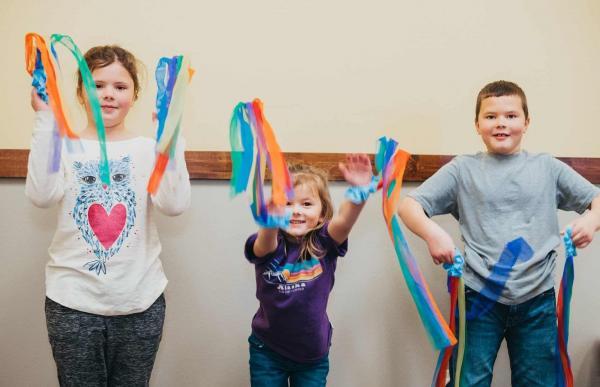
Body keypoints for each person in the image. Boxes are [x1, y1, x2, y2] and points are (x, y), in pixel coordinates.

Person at [398, 80, 600, 387]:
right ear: (477, 124)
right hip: (479, 297)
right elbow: (408, 206)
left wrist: (592, 219)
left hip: (538, 300)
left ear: (526, 122)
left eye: (511, 115)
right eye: (490, 116)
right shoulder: (462, 169)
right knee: (469, 381)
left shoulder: (547, 167)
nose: (501, 123)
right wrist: (432, 234)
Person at [26, 45, 191, 386]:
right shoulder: (63, 145)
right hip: (71, 303)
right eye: (97, 85)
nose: (108, 95)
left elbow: (174, 205)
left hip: (140, 303)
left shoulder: (147, 148)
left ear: (135, 94)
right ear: (80, 92)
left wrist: (169, 137)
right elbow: (41, 197)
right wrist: (45, 119)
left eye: (120, 87)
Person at [245, 155, 374, 386]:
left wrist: (359, 193)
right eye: (287, 203)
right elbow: (264, 244)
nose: (296, 211)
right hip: (268, 351)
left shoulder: (325, 242)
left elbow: (344, 221)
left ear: (322, 214)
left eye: (306, 204)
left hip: (313, 355)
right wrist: (270, 222)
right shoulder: (269, 242)